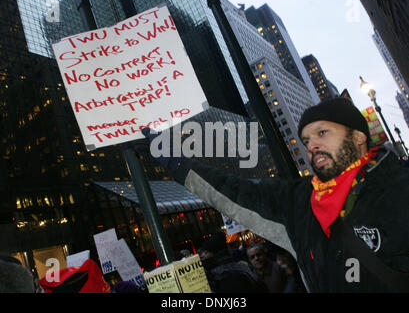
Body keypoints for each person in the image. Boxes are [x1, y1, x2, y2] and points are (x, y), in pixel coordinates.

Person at [141, 97, 409, 292]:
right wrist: (174, 160)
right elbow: (233, 190)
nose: (312, 145)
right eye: (306, 141)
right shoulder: (300, 201)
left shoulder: (399, 188)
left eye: (322, 133)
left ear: (358, 136)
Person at [198, 231, 268, 293]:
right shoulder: (215, 276)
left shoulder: (228, 276)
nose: (202, 256)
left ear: (216, 253)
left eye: (206, 252)